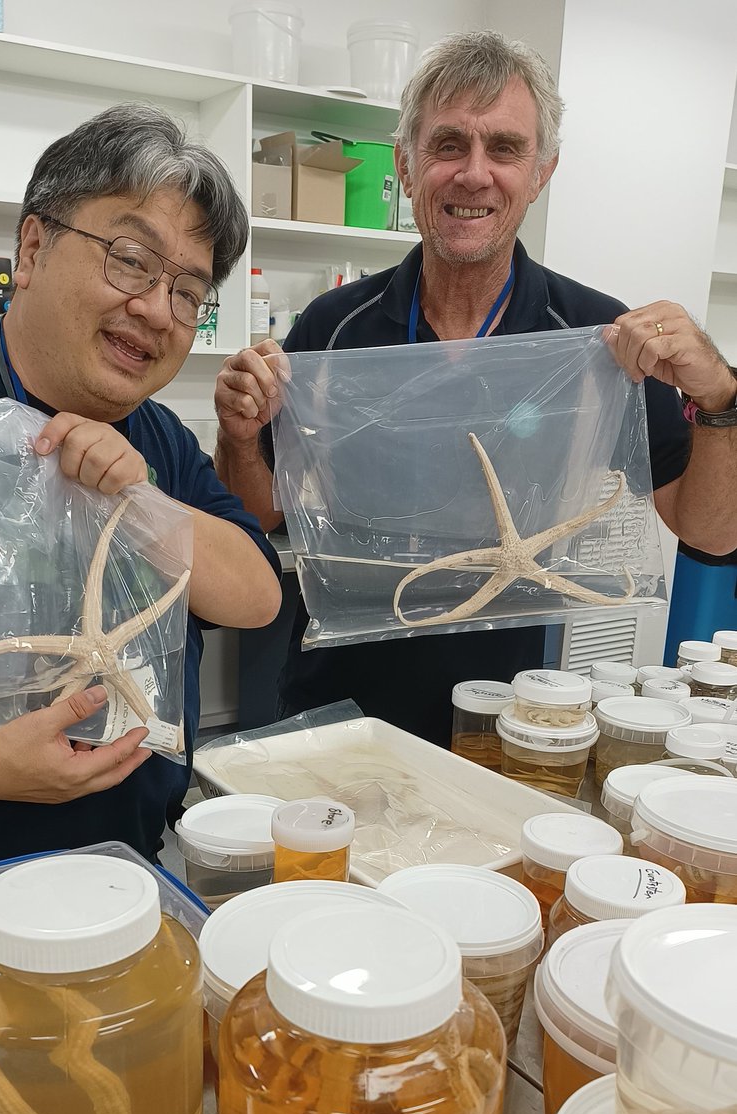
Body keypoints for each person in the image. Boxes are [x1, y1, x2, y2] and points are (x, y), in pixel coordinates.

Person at [214, 30, 737, 748]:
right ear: (405, 164)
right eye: (449, 145)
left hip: (508, 719)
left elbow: (714, 532)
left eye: (505, 148)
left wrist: (721, 401)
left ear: (542, 170)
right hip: (338, 708)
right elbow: (262, 512)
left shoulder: (596, 340)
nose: (474, 174)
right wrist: (237, 433)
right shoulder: (334, 329)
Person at [0, 103, 282, 883]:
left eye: (187, 291)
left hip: (135, 866)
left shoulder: (159, 437)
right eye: (132, 259)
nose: (155, 309)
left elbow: (257, 595)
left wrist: (135, 500)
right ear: (33, 248)